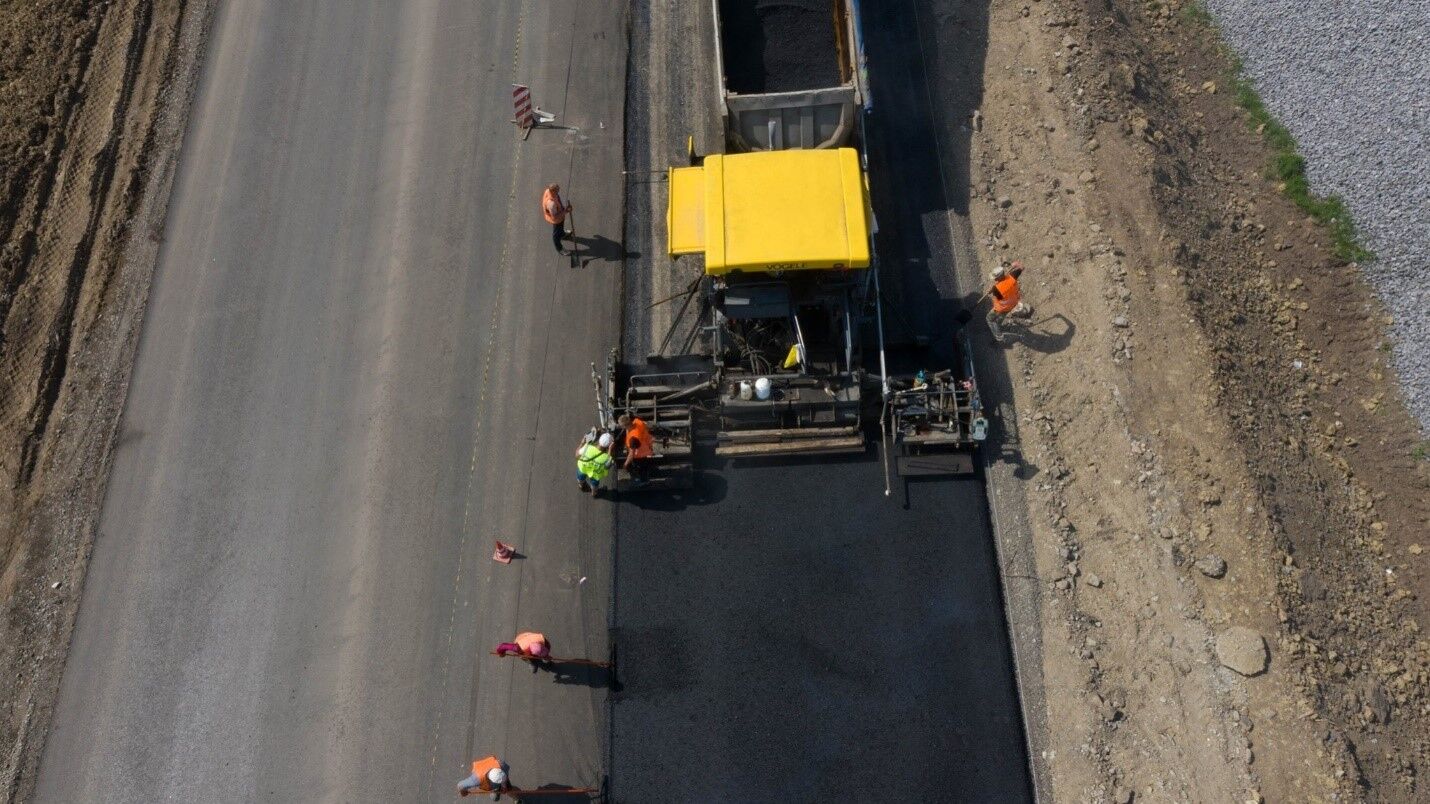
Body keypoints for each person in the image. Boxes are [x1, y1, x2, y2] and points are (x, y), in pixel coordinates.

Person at [985, 260, 1033, 342]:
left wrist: (991, 291)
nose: (995, 279)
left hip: (1001, 307)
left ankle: (999, 336)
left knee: (989, 319)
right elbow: (1022, 267)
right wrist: (1014, 264)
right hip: (1013, 303)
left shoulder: (996, 288)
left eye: (995, 278)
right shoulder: (1012, 276)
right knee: (1001, 316)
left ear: (998, 277)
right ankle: (999, 325)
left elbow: (998, 298)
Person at [617, 414, 655, 481]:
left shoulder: (633, 439)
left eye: (621, 426)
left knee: (641, 468)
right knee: (645, 465)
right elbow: (646, 426)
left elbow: (631, 454)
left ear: (625, 426)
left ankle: (644, 481)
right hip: (647, 445)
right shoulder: (637, 421)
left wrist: (625, 464)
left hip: (640, 455)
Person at [542, 183, 573, 254]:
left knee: (560, 227)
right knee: (556, 235)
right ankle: (560, 249)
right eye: (557, 191)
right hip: (556, 219)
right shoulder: (551, 204)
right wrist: (566, 211)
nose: (558, 192)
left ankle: (562, 234)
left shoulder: (548, 191)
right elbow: (555, 216)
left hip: (560, 215)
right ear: (552, 191)